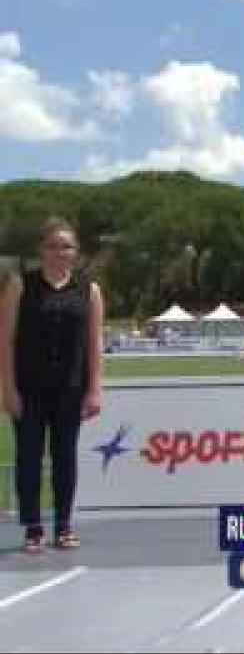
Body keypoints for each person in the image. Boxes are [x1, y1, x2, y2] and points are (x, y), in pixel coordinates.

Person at [0, 217, 105, 553]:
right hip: (28, 388)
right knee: (28, 457)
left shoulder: (89, 290)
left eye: (67, 246)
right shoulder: (20, 286)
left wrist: (94, 388)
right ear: (41, 251)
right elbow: (6, 341)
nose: (60, 252)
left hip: (70, 390)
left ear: (76, 253)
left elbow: (95, 342)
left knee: (65, 458)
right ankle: (33, 528)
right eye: (53, 246)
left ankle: (63, 525)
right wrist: (8, 388)